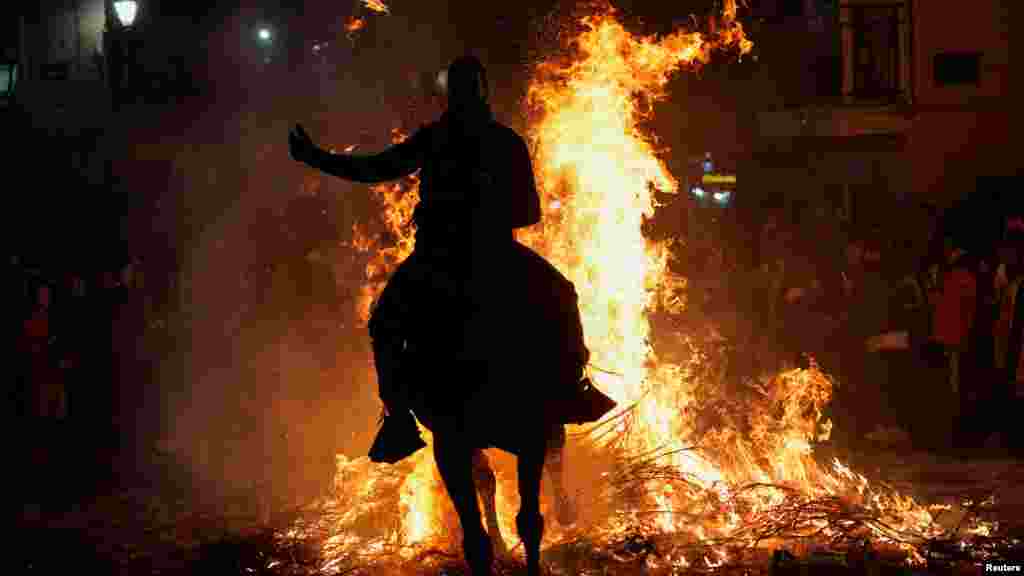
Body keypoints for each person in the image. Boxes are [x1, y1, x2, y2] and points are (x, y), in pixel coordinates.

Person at [288, 55, 592, 462]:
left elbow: (378, 168)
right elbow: (379, 167)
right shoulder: (489, 140)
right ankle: (571, 387)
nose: (463, 93)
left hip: (451, 256)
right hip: (481, 254)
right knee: (561, 295)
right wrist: (319, 158)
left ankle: (400, 417)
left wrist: (317, 158)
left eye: (467, 85)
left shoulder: (485, 141)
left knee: (386, 324)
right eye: (460, 85)